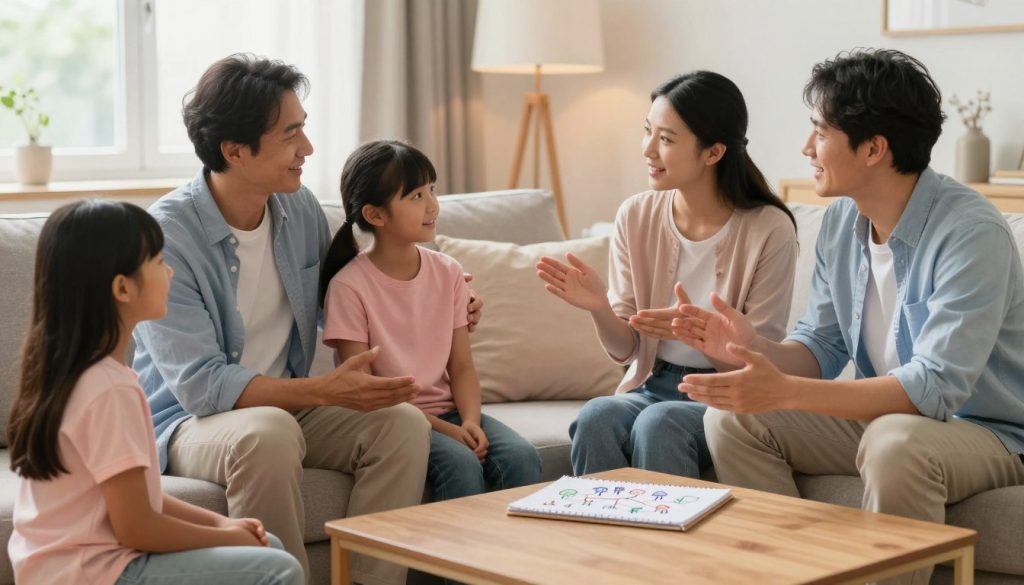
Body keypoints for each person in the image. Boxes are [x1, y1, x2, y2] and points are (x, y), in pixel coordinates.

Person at [675, 49, 1024, 585]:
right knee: (732, 418)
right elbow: (820, 346)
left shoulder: (972, 233)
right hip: (891, 417)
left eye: (819, 130)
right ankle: (792, 574)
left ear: (874, 149)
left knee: (896, 442)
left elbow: (933, 388)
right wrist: (752, 349)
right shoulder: (841, 222)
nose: (806, 147)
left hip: (988, 431)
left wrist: (786, 392)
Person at [131, 54, 481, 585]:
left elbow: (350, 300)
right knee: (267, 431)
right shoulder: (168, 236)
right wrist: (324, 390)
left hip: (287, 404)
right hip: (188, 423)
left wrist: (446, 305)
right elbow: (202, 387)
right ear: (235, 151)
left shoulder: (300, 214)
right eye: (291, 134)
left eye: (305, 128)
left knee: (401, 423)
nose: (308, 149)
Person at [6, 200, 303, 585]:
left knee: (269, 545)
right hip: (93, 572)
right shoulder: (108, 389)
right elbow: (138, 529)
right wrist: (223, 536)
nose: (170, 271)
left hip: (63, 566)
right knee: (279, 568)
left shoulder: (85, 374)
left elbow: (139, 496)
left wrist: (223, 522)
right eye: (159, 261)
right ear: (123, 287)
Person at [535, 71, 798, 478]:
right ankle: (597, 538)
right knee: (597, 415)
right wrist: (599, 308)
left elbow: (756, 362)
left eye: (666, 139)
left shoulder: (770, 229)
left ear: (712, 153)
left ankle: (669, 543)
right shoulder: (636, 215)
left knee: (660, 424)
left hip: (724, 392)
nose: (647, 150)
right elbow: (627, 352)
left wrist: (699, 336)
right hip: (652, 383)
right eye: (648, 132)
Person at [321, 139, 542, 502]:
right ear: (376, 215)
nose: (432, 204)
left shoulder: (448, 271)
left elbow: (462, 366)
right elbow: (364, 391)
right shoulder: (349, 286)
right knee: (461, 464)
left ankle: (505, 559)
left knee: (522, 457)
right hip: (391, 421)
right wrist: (448, 432)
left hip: (452, 412)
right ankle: (448, 560)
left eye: (432, 190)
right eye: (416, 196)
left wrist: (470, 421)